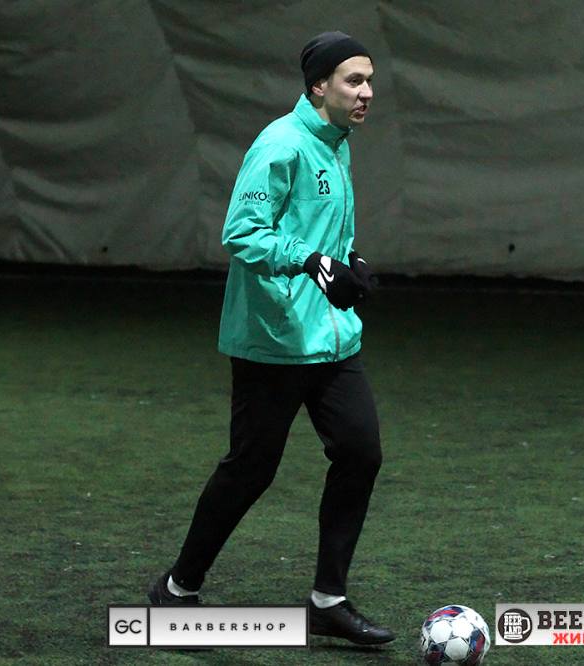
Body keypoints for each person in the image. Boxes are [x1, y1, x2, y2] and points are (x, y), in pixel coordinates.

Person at [147, 31, 394, 646]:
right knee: (250, 470)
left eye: (369, 80)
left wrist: (348, 260)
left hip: (333, 341)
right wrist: (310, 260)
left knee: (361, 453)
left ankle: (327, 601)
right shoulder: (280, 145)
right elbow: (243, 233)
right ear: (318, 86)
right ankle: (176, 591)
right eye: (354, 81)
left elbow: (322, 230)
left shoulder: (338, 142)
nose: (367, 92)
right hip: (274, 339)